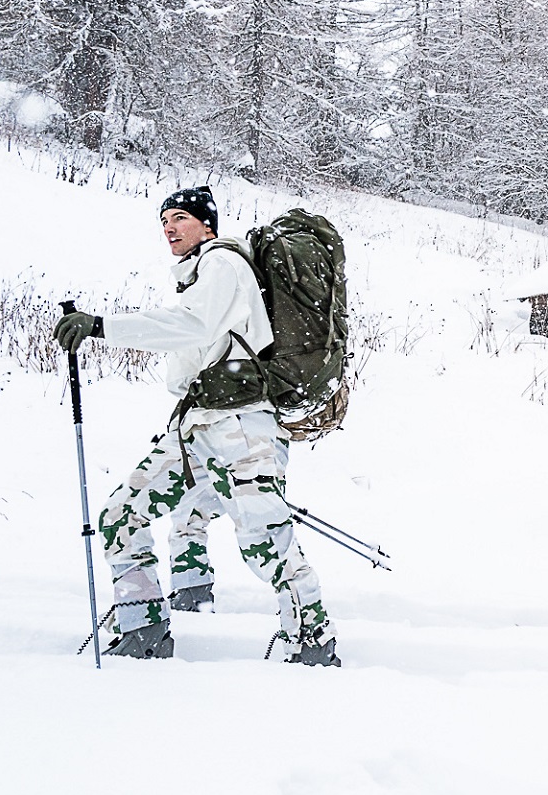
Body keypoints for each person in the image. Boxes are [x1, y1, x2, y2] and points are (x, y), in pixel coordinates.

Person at [53, 186, 336, 666]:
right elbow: (191, 352)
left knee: (266, 543)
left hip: (242, 429)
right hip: (197, 429)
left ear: (207, 225)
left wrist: (102, 326)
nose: (169, 227)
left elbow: (191, 326)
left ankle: (311, 643)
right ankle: (143, 630)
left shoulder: (223, 265)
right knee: (122, 515)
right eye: (164, 220)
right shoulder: (198, 276)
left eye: (180, 217)